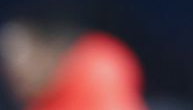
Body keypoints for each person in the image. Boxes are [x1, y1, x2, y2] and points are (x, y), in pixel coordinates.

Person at [0, 15, 146, 110]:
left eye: (24, 59)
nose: (18, 74)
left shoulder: (95, 63)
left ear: (42, 50)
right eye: (8, 72)